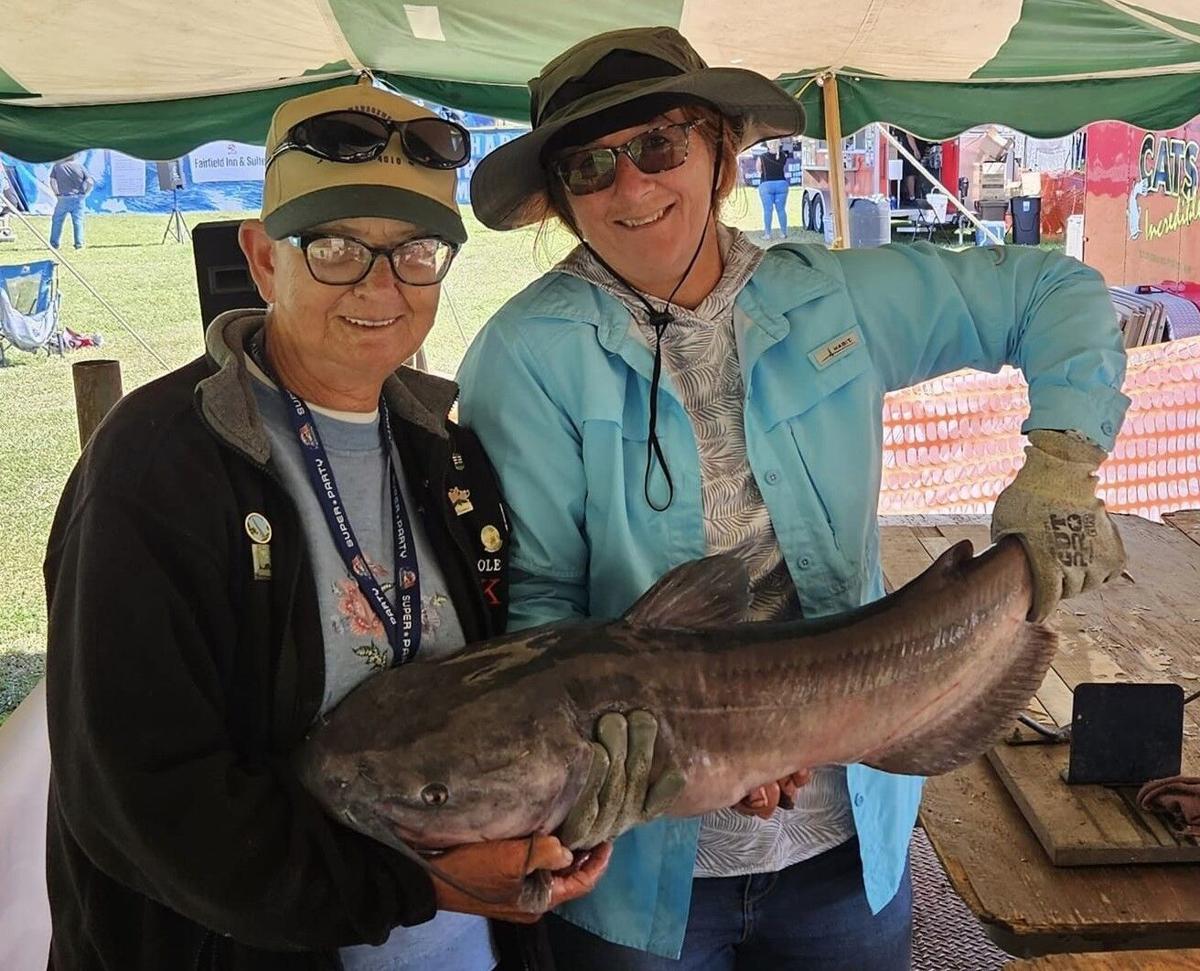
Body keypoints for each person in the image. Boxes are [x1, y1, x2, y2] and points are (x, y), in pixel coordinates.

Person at [459, 26, 1129, 971]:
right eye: (589, 165)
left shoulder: (828, 298)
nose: (632, 187)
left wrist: (1063, 462)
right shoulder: (524, 356)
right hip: (641, 868)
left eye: (659, 145)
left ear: (720, 152)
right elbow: (537, 607)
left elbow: (1053, 290)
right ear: (563, 201)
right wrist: (680, 753)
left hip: (849, 836)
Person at [43, 79, 617, 971]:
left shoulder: (447, 454)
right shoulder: (155, 468)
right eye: (338, 246)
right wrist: (416, 886)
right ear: (264, 258)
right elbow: (141, 801)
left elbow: (511, 699)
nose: (381, 285)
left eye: (416, 251)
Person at [48, 152, 93, 249]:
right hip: (78, 198)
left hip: (63, 197)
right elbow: (90, 182)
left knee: (57, 221)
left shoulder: (57, 166)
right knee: (78, 222)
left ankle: (54, 244)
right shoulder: (80, 167)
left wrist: (57, 193)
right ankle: (79, 244)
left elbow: (52, 181)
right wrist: (85, 192)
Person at [755, 138, 790, 238]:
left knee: (767, 210)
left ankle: (767, 234)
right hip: (781, 184)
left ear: (768, 145)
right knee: (781, 210)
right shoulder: (783, 156)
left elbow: (759, 170)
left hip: (766, 185)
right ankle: (783, 233)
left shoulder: (761, 157)